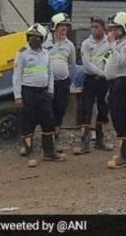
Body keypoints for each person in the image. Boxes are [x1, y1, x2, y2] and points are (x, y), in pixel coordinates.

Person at [13, 24, 65, 167]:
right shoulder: (22, 53)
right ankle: (30, 154)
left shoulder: (46, 53)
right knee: (28, 123)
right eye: (31, 36)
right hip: (28, 92)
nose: (34, 39)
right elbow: (16, 76)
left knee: (48, 122)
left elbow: (50, 73)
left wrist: (51, 90)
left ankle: (48, 152)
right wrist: (17, 96)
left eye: (37, 37)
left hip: (43, 93)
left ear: (42, 39)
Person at [103, 11, 126, 169]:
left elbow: (120, 62)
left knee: (121, 116)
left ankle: (125, 154)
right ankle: (125, 150)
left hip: (122, 82)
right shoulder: (119, 42)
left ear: (125, 28)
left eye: (116, 28)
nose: (112, 32)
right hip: (113, 83)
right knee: (115, 116)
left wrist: (111, 44)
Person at [74, 18, 112, 155]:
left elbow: (110, 59)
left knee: (103, 107)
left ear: (103, 28)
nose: (94, 29)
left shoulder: (109, 43)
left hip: (104, 81)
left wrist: (107, 74)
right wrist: (102, 73)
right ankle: (84, 141)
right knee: (86, 108)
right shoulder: (86, 43)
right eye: (92, 27)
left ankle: (100, 140)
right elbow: (87, 63)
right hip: (90, 79)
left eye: (97, 27)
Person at [43, 13, 76, 152]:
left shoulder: (69, 45)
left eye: (66, 26)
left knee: (60, 110)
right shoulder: (45, 44)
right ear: (54, 27)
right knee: (47, 112)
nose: (65, 29)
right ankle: (47, 143)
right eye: (62, 26)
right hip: (48, 84)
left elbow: (72, 64)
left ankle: (55, 138)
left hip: (63, 83)